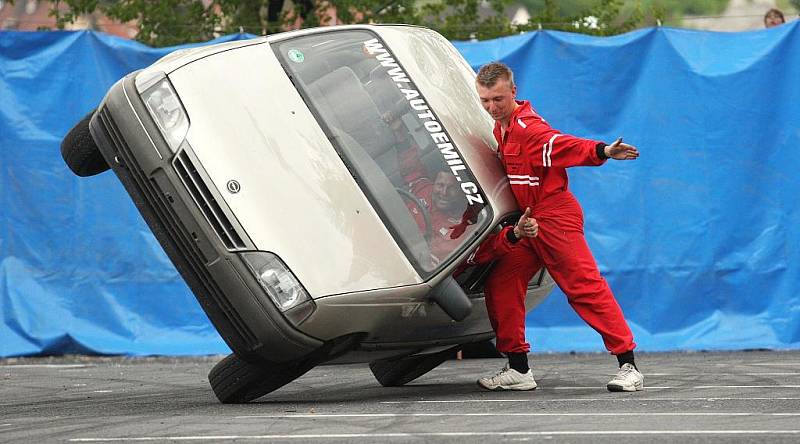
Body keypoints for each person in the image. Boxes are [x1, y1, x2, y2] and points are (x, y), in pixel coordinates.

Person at [473, 62, 644, 392]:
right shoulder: (500, 129)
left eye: (498, 99)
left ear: (513, 92)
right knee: (502, 281)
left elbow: (564, 145)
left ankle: (629, 365)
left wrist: (603, 150)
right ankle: (519, 369)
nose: (492, 107)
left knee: (584, 287)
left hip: (556, 216)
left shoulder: (528, 129)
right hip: (530, 221)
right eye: (485, 101)